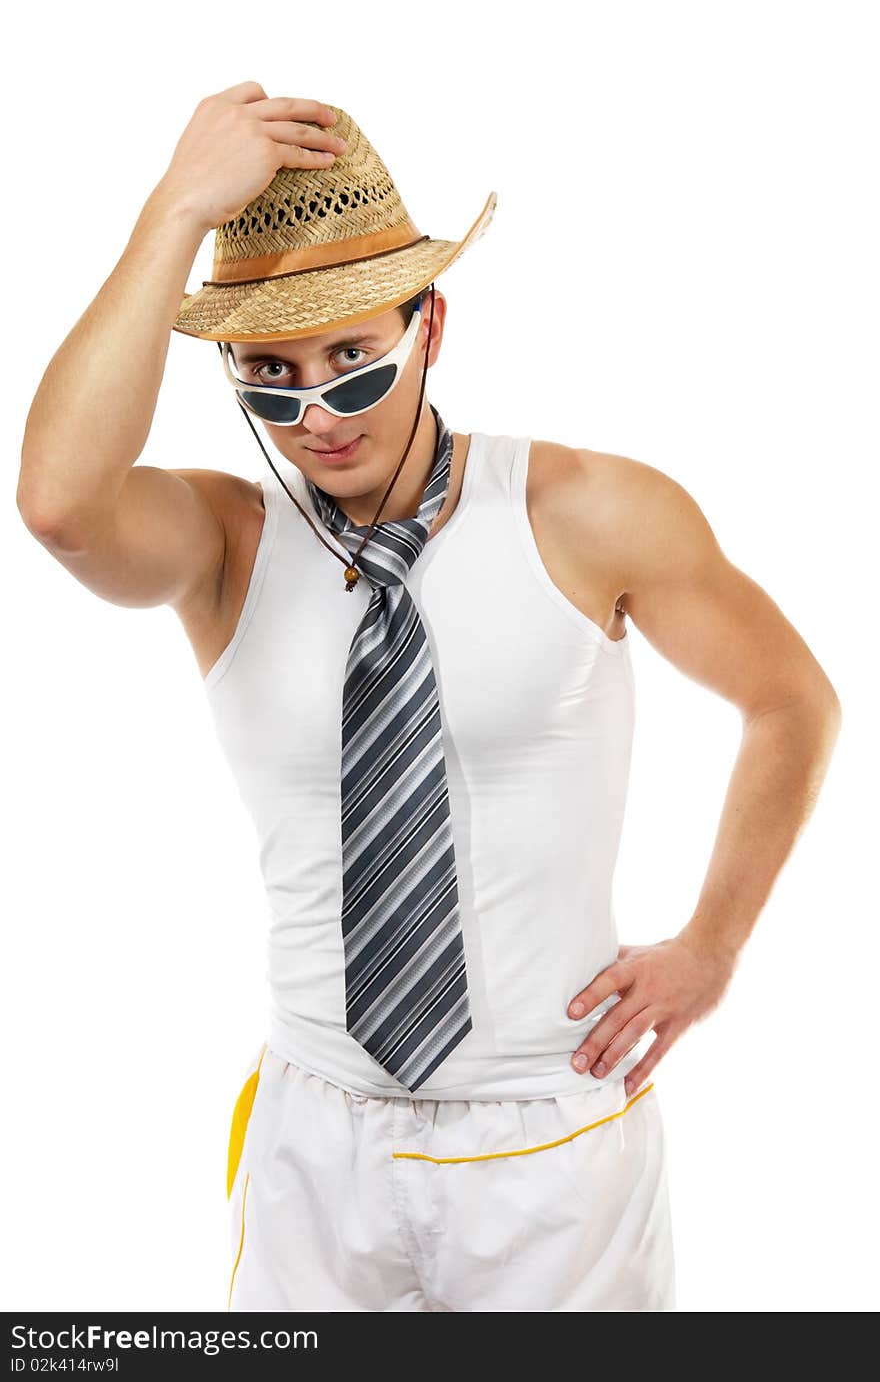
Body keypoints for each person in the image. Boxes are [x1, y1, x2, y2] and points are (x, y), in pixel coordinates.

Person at [17, 81, 842, 1314]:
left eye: (353, 360)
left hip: (552, 1137)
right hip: (316, 1140)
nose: (317, 415)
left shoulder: (586, 512)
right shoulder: (227, 542)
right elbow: (59, 503)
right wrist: (176, 207)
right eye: (271, 377)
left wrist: (711, 946)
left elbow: (790, 699)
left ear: (432, 327)